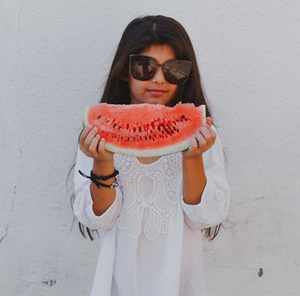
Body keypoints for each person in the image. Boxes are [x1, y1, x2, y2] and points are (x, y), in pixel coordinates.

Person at [73, 15, 230, 296]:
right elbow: (100, 218)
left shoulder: (202, 135)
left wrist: (192, 158)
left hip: (179, 282)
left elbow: (203, 217)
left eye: (174, 69)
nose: (159, 78)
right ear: (124, 70)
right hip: (117, 282)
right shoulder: (98, 135)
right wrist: (102, 160)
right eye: (144, 67)